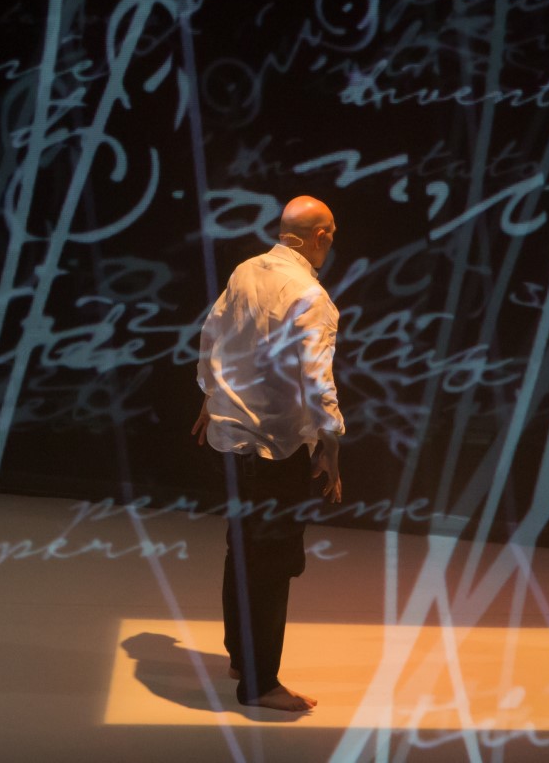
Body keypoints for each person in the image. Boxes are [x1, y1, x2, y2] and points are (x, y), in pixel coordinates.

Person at [192, 195, 344, 712]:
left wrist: (210, 397)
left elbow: (212, 336)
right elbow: (319, 382)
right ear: (319, 236)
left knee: (241, 549)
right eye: (330, 234)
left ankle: (242, 657)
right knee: (272, 564)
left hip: (232, 439)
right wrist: (331, 446)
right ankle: (259, 683)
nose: (330, 243)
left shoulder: (246, 271)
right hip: (275, 447)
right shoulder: (309, 296)